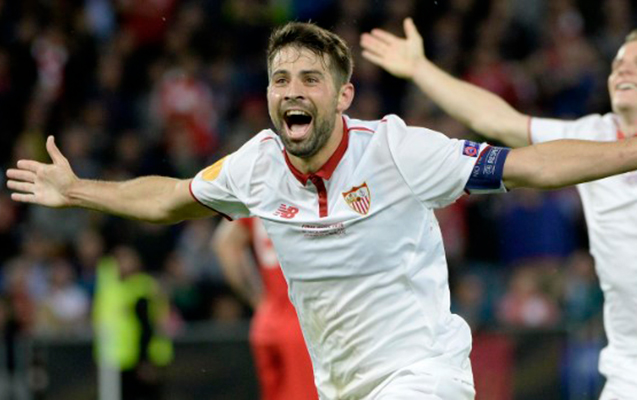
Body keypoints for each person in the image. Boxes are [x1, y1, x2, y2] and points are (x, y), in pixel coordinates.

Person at [7, 21, 637, 400]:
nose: (293, 90)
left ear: (344, 95)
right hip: (338, 385)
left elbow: (529, 165)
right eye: (281, 79)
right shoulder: (255, 165)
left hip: (424, 377)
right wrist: (78, 190)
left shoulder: (396, 150)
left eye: (311, 78)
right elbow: (171, 198)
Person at [360, 17, 637, 400]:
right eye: (618, 63)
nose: (623, 70)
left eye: (636, 64)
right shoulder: (593, 136)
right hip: (628, 373)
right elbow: (494, 120)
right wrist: (420, 68)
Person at [213, 217, 317, 400]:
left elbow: (224, 243)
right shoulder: (306, 201)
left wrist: (259, 300)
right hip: (302, 321)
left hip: (268, 321)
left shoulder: (257, 200)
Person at [93, 245, 174, 400]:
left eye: (126, 258)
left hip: (139, 361)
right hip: (114, 360)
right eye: (118, 259)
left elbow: (148, 325)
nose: (122, 263)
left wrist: (146, 360)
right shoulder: (110, 289)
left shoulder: (144, 288)